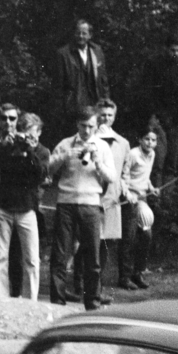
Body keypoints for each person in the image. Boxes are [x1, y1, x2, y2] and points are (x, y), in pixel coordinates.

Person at [48, 106, 117, 309]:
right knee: (60, 254)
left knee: (92, 256)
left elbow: (112, 177)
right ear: (77, 125)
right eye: (83, 126)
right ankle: (57, 303)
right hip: (66, 202)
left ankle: (92, 303)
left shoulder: (102, 147)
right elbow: (48, 169)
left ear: (96, 126)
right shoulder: (65, 144)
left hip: (90, 204)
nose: (87, 131)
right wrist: (64, 156)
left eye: (91, 127)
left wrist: (98, 163)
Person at [0, 112, 50, 300]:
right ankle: (2, 297)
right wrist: (4, 147)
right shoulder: (8, 146)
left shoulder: (42, 152)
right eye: (24, 134)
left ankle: (30, 299)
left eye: (32, 135)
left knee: (32, 259)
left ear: (39, 133)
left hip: (27, 208)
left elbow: (40, 176)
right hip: (5, 206)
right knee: (1, 257)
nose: (27, 138)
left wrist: (30, 151)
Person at [93, 99, 131, 292]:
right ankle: (82, 286)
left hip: (112, 201)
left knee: (106, 245)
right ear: (96, 115)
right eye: (102, 114)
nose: (105, 118)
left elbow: (125, 173)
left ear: (114, 117)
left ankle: (97, 288)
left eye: (109, 115)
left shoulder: (123, 143)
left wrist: (125, 187)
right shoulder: (88, 138)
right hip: (91, 199)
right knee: (88, 244)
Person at [142, 36, 178, 180]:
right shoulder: (156, 65)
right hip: (159, 119)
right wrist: (155, 116)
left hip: (177, 120)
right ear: (166, 50)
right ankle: (155, 199)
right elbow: (150, 93)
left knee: (172, 162)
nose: (175, 54)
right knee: (157, 160)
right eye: (172, 50)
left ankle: (168, 199)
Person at [118, 127, 161, 291]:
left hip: (142, 198)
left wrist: (151, 188)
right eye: (147, 139)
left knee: (146, 236)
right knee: (129, 238)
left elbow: (146, 176)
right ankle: (124, 277)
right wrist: (127, 194)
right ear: (140, 140)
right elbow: (123, 177)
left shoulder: (152, 154)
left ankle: (138, 273)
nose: (150, 143)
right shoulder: (133, 154)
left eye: (153, 140)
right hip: (130, 199)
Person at [54, 20, 110, 133]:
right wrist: (61, 109)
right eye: (78, 33)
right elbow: (59, 85)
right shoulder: (63, 53)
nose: (80, 36)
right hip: (73, 106)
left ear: (90, 35)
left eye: (84, 33)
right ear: (74, 34)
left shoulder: (97, 51)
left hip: (95, 102)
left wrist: (106, 101)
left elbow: (103, 80)